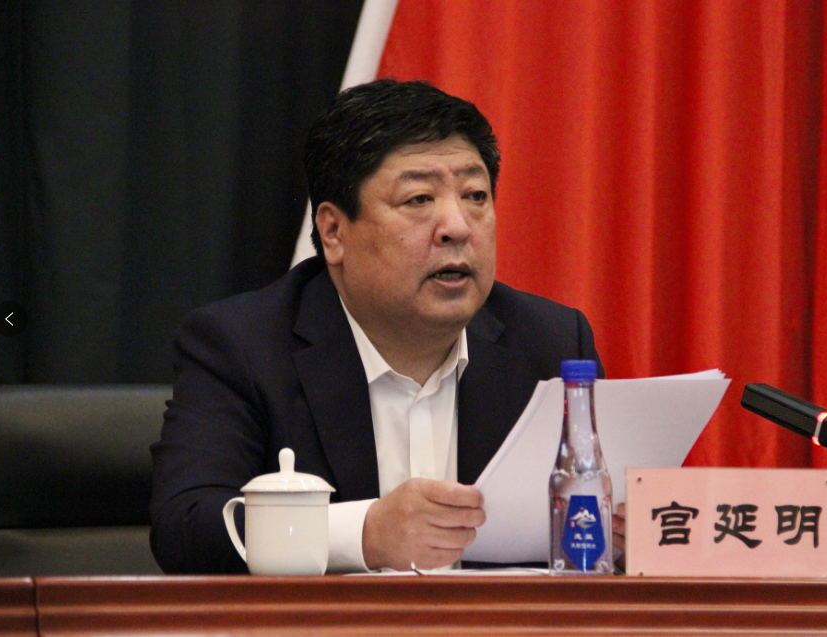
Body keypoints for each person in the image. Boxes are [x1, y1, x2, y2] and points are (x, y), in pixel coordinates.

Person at [150, 79, 622, 574]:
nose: (457, 226)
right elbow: (186, 527)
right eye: (418, 199)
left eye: (475, 195)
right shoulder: (241, 346)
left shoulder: (549, 344)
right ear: (334, 232)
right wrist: (364, 533)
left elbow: (593, 531)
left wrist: (627, 535)